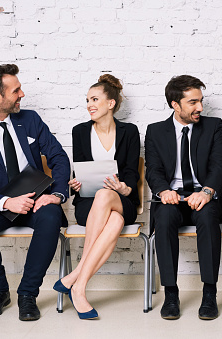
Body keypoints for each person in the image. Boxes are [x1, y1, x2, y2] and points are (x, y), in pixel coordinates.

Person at [0, 64, 70, 321]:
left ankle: (27, 294)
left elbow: (59, 158)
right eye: (16, 90)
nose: (22, 94)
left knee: (51, 217)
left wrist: (57, 194)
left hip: (38, 199)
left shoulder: (30, 120)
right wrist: (7, 202)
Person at [145, 75, 222, 320]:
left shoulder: (214, 126)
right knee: (163, 219)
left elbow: (220, 165)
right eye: (193, 102)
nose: (200, 108)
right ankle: (171, 294)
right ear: (175, 104)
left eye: (201, 101)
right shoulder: (155, 131)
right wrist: (164, 191)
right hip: (171, 196)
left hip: (204, 195)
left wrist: (206, 192)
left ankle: (209, 293)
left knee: (208, 219)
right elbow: (152, 169)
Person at [52, 74, 140, 320]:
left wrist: (124, 188)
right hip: (87, 203)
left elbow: (132, 172)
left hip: (123, 201)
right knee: (114, 221)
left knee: (107, 196)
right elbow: (78, 170)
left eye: (94, 99)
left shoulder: (129, 131)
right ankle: (79, 288)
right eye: (87, 100)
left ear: (111, 103)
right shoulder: (79, 131)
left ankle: (76, 275)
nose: (89, 104)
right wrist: (75, 183)